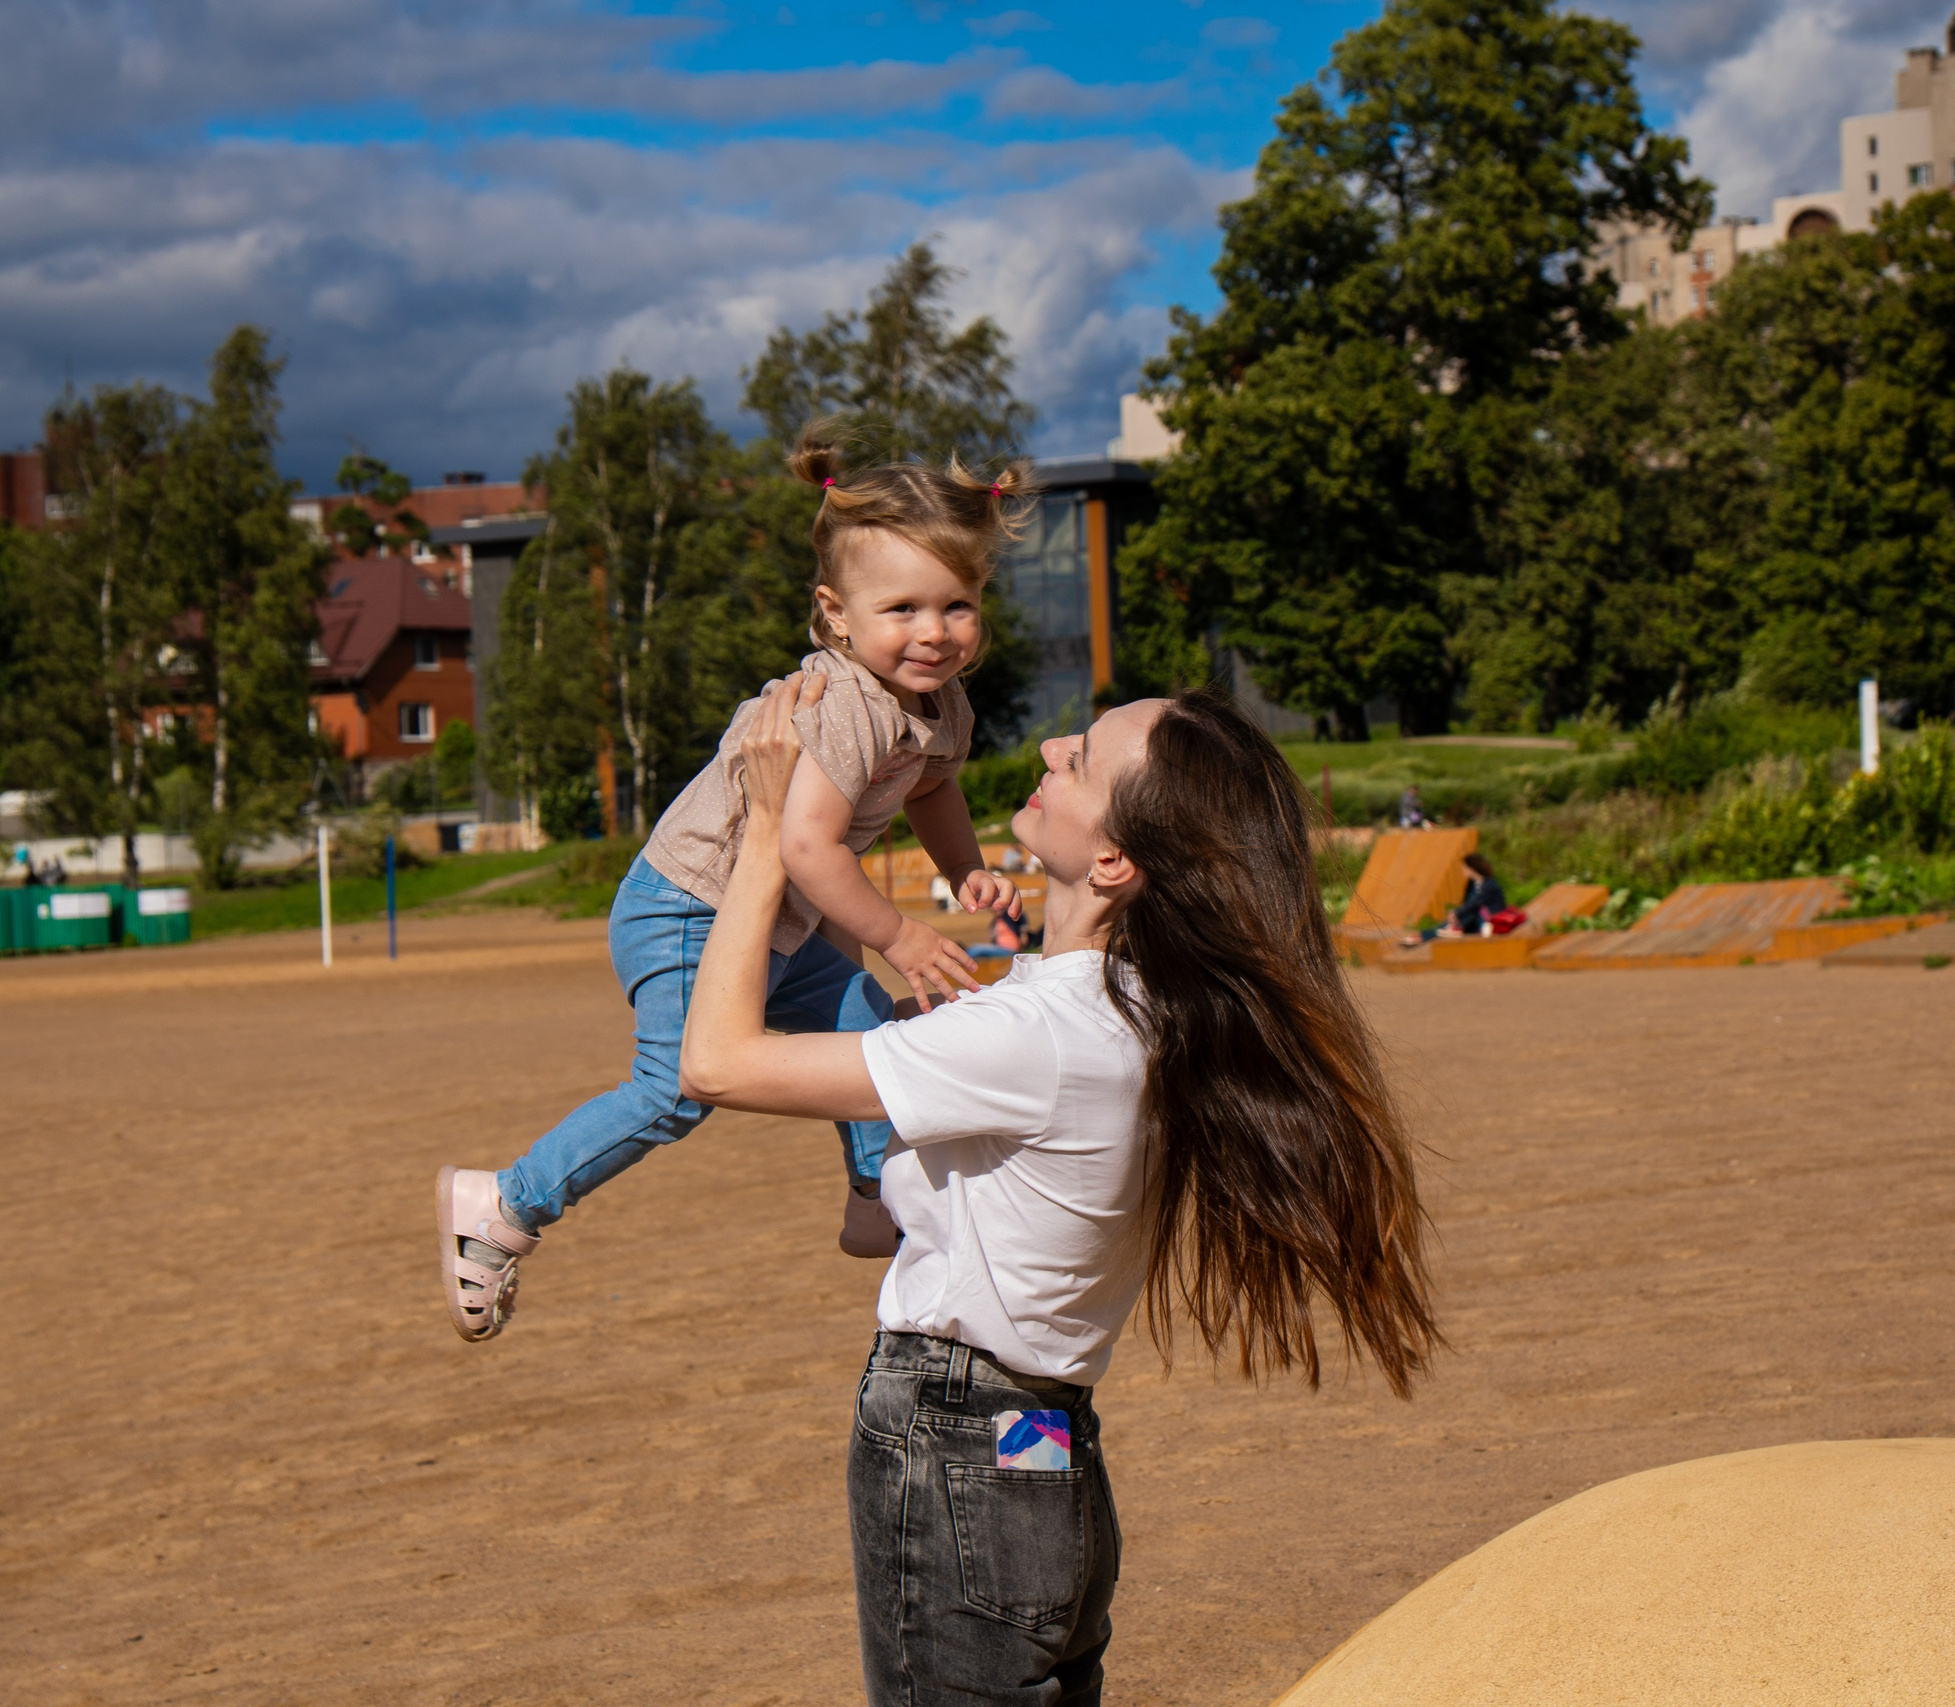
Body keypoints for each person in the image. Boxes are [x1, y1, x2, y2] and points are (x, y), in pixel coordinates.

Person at [675, 675, 1437, 1704]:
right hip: (1040, 1449)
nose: (1045, 753)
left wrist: (769, 836)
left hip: (957, 1438)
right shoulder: (1143, 1015)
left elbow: (716, 1062)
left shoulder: (1030, 1037)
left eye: (1078, 760)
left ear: (1115, 860)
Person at [431, 435, 1030, 1341]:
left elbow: (933, 786)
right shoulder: (845, 707)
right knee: (678, 1088)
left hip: (773, 924)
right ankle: (504, 1202)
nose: (934, 632)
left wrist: (965, 869)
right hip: (687, 906)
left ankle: (875, 1200)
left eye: (958, 605)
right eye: (902, 606)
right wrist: (905, 935)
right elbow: (810, 848)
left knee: (865, 1030)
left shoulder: (940, 706)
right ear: (835, 614)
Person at [1430, 852, 1506, 939]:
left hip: (1491, 921)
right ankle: (1450, 928)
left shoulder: (1489, 885)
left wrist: (1457, 914)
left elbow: (1475, 903)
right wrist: (1457, 913)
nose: (1463, 870)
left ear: (1472, 868)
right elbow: (1470, 904)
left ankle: (1453, 928)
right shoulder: (1475, 884)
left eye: (1465, 867)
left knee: (1468, 913)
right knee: (1449, 923)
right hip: (1479, 920)